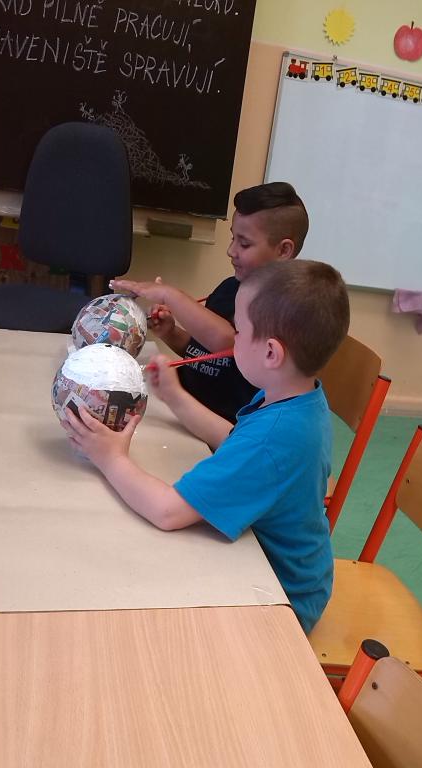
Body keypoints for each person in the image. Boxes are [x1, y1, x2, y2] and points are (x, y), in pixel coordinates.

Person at [64, 260, 350, 633]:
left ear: (271, 353)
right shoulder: (296, 397)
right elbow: (235, 438)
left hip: (280, 599)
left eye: (239, 331)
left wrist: (110, 457)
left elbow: (167, 512)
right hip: (288, 571)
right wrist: (175, 397)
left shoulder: (274, 437)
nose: (232, 338)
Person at [110, 181, 309, 423]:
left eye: (244, 243)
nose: (231, 250)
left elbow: (229, 342)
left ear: (283, 250)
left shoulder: (283, 306)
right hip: (182, 402)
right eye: (233, 238)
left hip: (217, 424)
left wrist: (170, 294)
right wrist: (171, 333)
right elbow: (208, 355)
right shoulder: (230, 287)